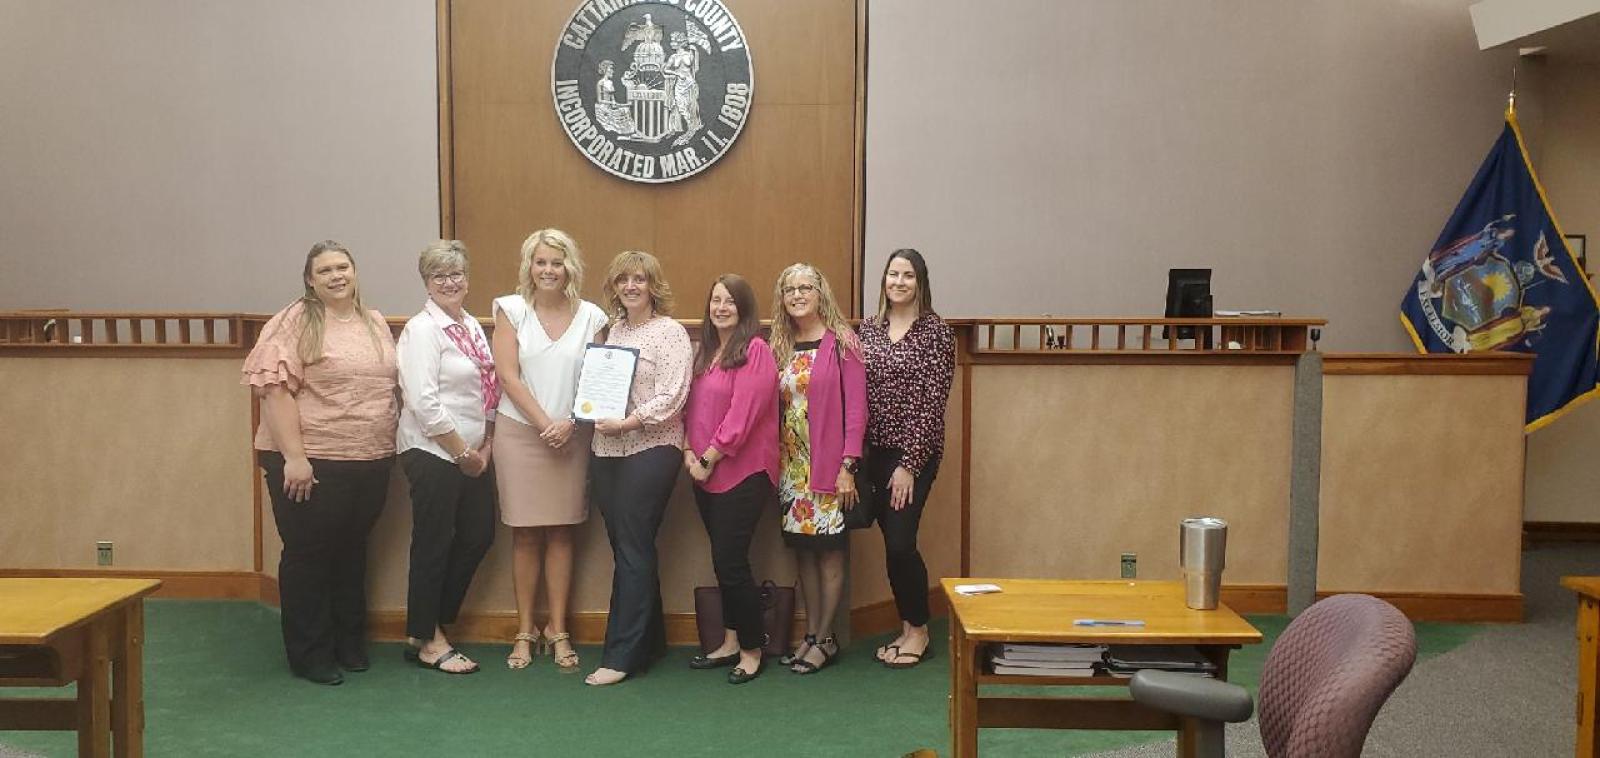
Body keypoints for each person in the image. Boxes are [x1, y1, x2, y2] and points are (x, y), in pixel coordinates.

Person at [242, 241, 397, 686]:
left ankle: (348, 644)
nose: (336, 276)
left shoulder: (375, 322)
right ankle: (310, 655)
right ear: (310, 279)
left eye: (343, 267)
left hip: (368, 459)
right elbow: (274, 389)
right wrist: (294, 457)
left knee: (351, 553)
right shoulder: (294, 320)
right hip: (309, 461)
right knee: (310, 556)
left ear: (355, 271)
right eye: (325, 270)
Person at [491, 229, 609, 671]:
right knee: (523, 532)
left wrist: (572, 423)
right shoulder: (511, 309)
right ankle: (524, 631)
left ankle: (558, 630)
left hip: (572, 435)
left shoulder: (593, 316)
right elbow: (508, 376)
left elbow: (597, 380)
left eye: (556, 263)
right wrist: (545, 425)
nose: (548, 270)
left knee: (562, 531)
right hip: (521, 433)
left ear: (570, 268)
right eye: (540, 262)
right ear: (529, 267)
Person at [585, 250, 693, 686]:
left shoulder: (670, 333)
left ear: (653, 286)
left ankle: (621, 655)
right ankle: (650, 643)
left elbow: (674, 394)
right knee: (630, 545)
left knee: (632, 544)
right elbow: (596, 389)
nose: (631, 286)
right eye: (623, 280)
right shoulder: (610, 332)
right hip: (606, 449)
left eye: (640, 279)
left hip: (653, 446)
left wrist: (630, 421)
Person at [395, 240, 498, 675]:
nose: (450, 282)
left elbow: (486, 389)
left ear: (467, 278)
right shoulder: (422, 330)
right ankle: (429, 639)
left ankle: (427, 625)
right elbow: (423, 401)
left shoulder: (471, 324)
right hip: (433, 451)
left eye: (456, 274)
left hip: (473, 451)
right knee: (433, 544)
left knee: (478, 535)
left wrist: (485, 446)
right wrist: (464, 454)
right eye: (440, 276)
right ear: (426, 282)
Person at [858, 249, 955, 669]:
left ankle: (919, 629)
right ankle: (906, 627)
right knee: (890, 544)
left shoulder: (935, 332)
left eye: (908, 275)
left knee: (900, 542)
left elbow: (934, 403)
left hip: (912, 455)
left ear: (921, 283)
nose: (899, 281)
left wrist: (908, 465)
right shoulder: (868, 330)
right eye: (893, 274)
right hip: (873, 453)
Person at [768, 263, 866, 675]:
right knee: (804, 553)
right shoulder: (782, 343)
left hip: (829, 468)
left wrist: (848, 466)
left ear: (820, 292)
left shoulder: (843, 341)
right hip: (792, 469)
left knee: (829, 554)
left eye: (805, 287)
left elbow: (857, 410)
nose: (797, 295)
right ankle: (812, 635)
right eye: (789, 289)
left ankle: (826, 638)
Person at [683, 274, 779, 685]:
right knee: (723, 562)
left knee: (731, 561)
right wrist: (689, 451)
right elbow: (689, 409)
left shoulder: (756, 351)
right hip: (702, 471)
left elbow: (743, 415)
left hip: (743, 471)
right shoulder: (704, 352)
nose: (721, 307)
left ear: (744, 308)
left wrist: (708, 455)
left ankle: (752, 649)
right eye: (715, 300)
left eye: (730, 302)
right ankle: (727, 641)